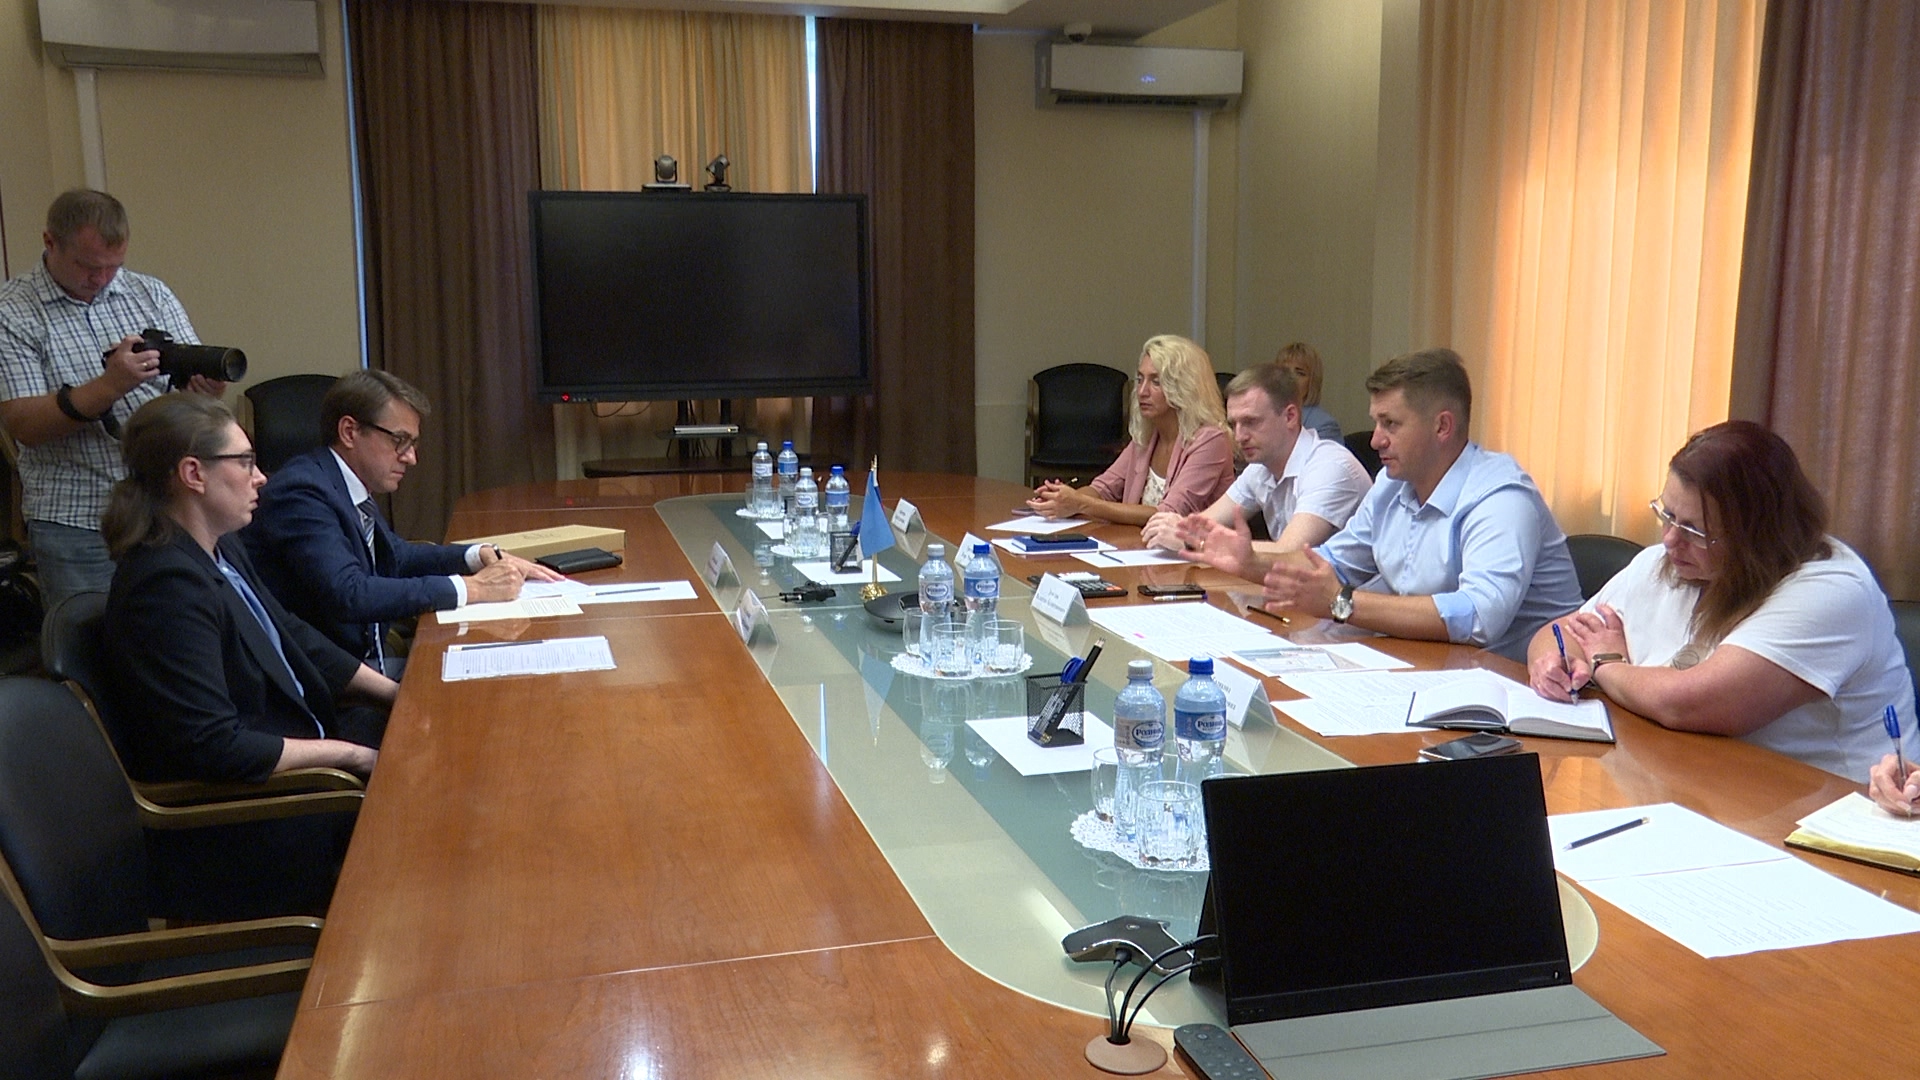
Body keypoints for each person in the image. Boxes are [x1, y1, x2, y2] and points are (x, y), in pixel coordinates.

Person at [1528, 421, 1918, 784]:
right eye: (1667, 515)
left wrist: (1606, 664)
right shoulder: (1668, 562)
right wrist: (1554, 664)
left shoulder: (1832, 591)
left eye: (1694, 530)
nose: (1669, 539)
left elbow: (1689, 705)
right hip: (1692, 780)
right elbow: (1563, 633)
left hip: (1826, 807)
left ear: (1758, 536)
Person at [1180, 348, 1581, 661]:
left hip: (1523, 693)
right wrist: (1251, 563)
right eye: (1376, 423)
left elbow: (1478, 617)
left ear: (1442, 426)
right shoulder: (1392, 484)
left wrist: (1343, 603)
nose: (1375, 440)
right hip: (1430, 665)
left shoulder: (1500, 497)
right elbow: (1331, 565)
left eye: (1391, 424)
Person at [103, 393, 394, 785]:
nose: (261, 477)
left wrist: (394, 694)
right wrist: (353, 756)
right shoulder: (165, 587)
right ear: (194, 474)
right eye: (245, 461)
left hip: (308, 737)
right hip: (267, 794)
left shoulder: (222, 547)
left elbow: (291, 633)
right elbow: (215, 745)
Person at [242, 370, 557, 674]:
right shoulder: (302, 492)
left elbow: (397, 555)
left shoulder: (345, 484)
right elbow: (350, 593)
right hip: (332, 683)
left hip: (367, 661)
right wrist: (473, 588)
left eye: (412, 443)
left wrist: (476, 555)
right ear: (350, 432)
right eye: (400, 440)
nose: (410, 458)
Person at [0, 189, 228, 609]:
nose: (103, 278)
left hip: (165, 509)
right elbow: (25, 425)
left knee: (179, 631)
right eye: (88, 266)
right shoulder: (12, 312)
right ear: (50, 242)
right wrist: (111, 385)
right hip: (77, 520)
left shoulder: (150, 293)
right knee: (93, 640)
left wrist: (204, 389)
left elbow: (191, 384)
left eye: (114, 266)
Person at [1140, 360, 1370, 557]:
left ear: (1290, 416)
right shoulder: (1261, 466)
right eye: (1234, 424)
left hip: (1353, 593)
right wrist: (1177, 528)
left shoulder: (1330, 467)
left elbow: (1289, 552)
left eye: (1251, 422)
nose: (1239, 436)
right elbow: (1203, 524)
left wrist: (1195, 542)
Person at [1027, 334, 1234, 527]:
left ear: (1184, 388)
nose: (1142, 391)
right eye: (1140, 379)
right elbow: (1103, 488)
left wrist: (1080, 503)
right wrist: (1061, 499)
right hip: (1142, 545)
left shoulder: (1211, 440)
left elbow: (1169, 513)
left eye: (1156, 382)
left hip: (1195, 551)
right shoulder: (1148, 434)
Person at [1275, 341, 1342, 443]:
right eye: (1284, 371)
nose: (1290, 378)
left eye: (1300, 373)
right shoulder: (1266, 415)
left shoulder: (1324, 426)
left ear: (1312, 381)